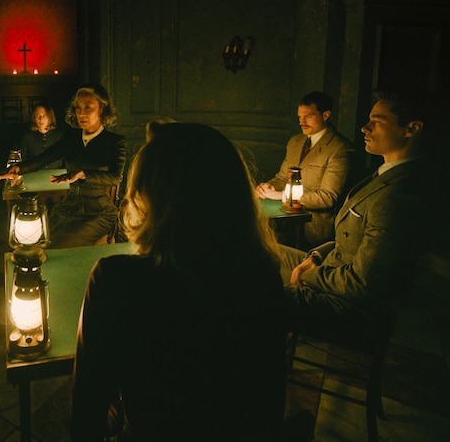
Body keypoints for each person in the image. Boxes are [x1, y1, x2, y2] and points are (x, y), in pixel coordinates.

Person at [69, 122, 289, 441]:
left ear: (149, 197)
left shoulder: (115, 279)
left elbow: (87, 410)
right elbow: (268, 408)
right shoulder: (261, 276)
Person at [278, 90, 436, 334]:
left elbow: (362, 284)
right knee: (264, 247)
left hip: (348, 307)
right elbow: (347, 243)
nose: (364, 128)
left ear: (411, 129)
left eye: (377, 121)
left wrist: (309, 274)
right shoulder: (385, 175)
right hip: (329, 269)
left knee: (256, 294)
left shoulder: (400, 195)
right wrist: (316, 257)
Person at [0, 84, 126, 248]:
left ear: (102, 109)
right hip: (69, 206)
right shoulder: (71, 138)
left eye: (88, 107)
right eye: (78, 108)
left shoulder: (115, 141)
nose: (81, 113)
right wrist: (17, 169)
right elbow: (44, 158)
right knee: (38, 239)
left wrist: (83, 174)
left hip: (98, 212)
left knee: (62, 245)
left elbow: (115, 177)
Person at [256, 91, 353, 249]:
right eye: (299, 117)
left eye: (308, 116)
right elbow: (282, 178)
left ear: (326, 115)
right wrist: (267, 187)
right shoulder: (295, 141)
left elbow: (327, 198)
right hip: (286, 225)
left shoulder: (339, 148)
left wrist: (282, 196)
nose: (302, 122)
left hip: (315, 230)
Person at [14, 102, 64, 169]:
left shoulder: (59, 135)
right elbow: (23, 159)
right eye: (38, 116)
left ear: (50, 117)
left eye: (44, 115)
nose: (41, 119)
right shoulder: (27, 137)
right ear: (34, 118)